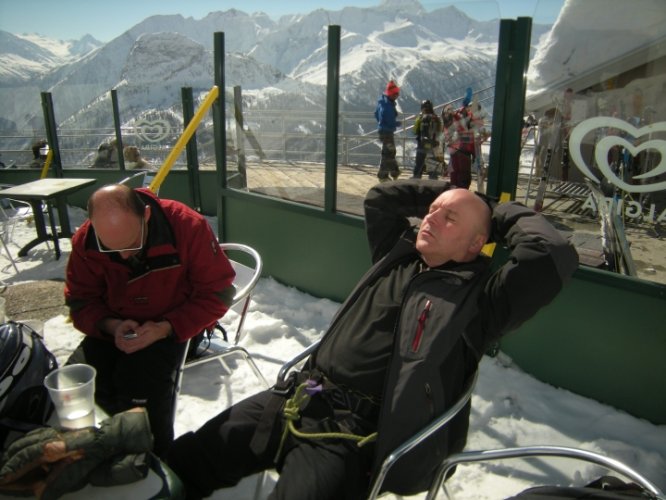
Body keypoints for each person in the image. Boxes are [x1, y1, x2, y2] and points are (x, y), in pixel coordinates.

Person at [166, 180, 579, 499]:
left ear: (476, 243)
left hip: (351, 436)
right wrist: (455, 197)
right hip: (298, 396)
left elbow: (551, 254)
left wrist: (493, 211)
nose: (430, 219)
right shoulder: (395, 256)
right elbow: (382, 198)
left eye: (449, 219)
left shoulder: (484, 302)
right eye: (431, 211)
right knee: (187, 459)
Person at [63, 184, 236, 457]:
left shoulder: (186, 226)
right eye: (110, 248)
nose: (123, 256)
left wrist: (164, 328)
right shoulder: (86, 241)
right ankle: (92, 453)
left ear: (146, 216)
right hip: (113, 326)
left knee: (140, 392)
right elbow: (80, 300)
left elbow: (218, 293)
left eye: (131, 244)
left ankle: (153, 461)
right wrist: (111, 326)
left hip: (175, 324)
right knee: (76, 382)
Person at [374, 80, 401, 182]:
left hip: (383, 131)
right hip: (387, 132)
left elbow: (376, 114)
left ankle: (393, 172)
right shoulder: (388, 106)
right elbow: (390, 121)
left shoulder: (382, 101)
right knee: (389, 152)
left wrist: (381, 123)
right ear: (392, 94)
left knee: (388, 152)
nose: (397, 95)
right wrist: (397, 124)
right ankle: (384, 175)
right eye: (396, 94)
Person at [412, 99, 442, 179]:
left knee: (419, 163)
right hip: (434, 145)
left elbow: (415, 130)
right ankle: (433, 181)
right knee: (433, 164)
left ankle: (416, 178)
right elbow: (440, 131)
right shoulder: (436, 118)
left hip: (422, 144)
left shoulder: (421, 118)